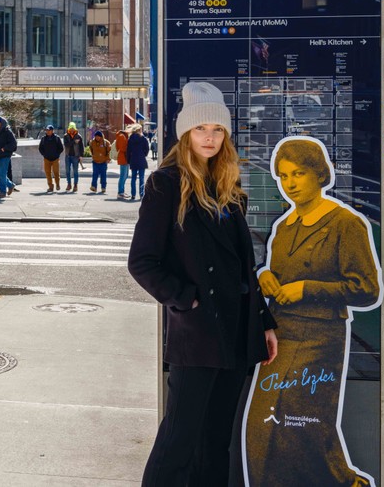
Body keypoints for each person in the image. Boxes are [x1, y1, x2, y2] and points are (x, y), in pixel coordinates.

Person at [128, 81, 278, 487]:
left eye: (216, 129)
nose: (209, 137)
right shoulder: (166, 184)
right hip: (196, 336)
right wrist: (186, 300)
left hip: (235, 331)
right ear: (185, 134)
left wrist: (263, 320)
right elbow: (141, 262)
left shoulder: (229, 188)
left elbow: (244, 270)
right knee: (178, 441)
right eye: (200, 129)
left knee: (216, 443)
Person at [242, 137, 382, 487]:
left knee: (299, 425)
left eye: (298, 173)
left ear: (319, 174)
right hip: (282, 335)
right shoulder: (283, 229)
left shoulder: (345, 223)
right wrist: (266, 278)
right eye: (283, 176)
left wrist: (307, 289)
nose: (289, 183)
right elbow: (277, 276)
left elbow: (367, 289)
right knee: (265, 429)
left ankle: (344, 481)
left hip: (321, 340)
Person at [0, 116, 18, 197]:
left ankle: (3, 192)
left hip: (5, 156)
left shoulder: (8, 132)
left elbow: (13, 144)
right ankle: (10, 185)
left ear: (2, 123)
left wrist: (4, 148)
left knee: (2, 174)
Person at [126, 124, 150, 200]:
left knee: (133, 178)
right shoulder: (143, 139)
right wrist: (143, 154)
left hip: (133, 160)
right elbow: (147, 149)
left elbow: (128, 151)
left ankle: (133, 195)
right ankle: (141, 194)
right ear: (139, 130)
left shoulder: (130, 139)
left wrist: (129, 160)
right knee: (141, 178)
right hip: (141, 160)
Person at [38, 125, 64, 193]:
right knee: (48, 173)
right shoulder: (43, 138)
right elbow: (40, 148)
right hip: (46, 159)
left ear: (52, 131)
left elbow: (61, 148)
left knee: (56, 173)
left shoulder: (57, 138)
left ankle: (57, 184)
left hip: (55, 159)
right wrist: (44, 154)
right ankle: (50, 186)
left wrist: (57, 154)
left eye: (49, 130)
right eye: (47, 130)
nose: (48, 131)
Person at [63, 122, 84, 192]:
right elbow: (66, 145)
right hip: (68, 156)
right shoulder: (65, 136)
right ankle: (69, 184)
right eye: (70, 128)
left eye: (73, 128)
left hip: (75, 156)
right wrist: (74, 142)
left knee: (75, 171)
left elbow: (81, 147)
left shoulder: (79, 136)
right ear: (69, 128)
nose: (72, 129)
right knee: (68, 171)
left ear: (75, 128)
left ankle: (75, 185)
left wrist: (81, 155)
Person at [115, 127, 129, 200]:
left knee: (125, 175)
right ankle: (120, 192)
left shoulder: (123, 136)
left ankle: (122, 191)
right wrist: (128, 147)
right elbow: (122, 148)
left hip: (125, 158)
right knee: (123, 176)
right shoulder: (121, 136)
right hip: (123, 158)